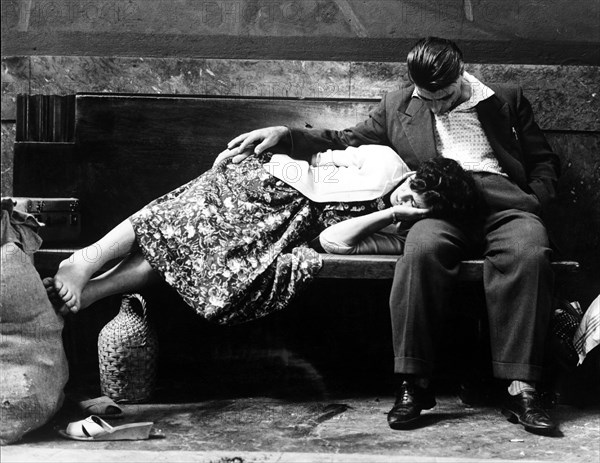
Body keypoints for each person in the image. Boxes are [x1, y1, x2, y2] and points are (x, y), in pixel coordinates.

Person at [217, 37, 560, 434]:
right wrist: (286, 135)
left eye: (443, 96)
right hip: (440, 209)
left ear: (461, 73)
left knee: (529, 251)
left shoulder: (505, 99)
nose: (434, 105)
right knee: (421, 250)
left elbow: (542, 160)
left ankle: (522, 386)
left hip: (505, 205)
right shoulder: (398, 104)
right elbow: (343, 139)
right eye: (425, 96)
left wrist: (535, 198)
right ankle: (414, 382)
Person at [43, 144, 429, 325]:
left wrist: (391, 213)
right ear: (413, 175)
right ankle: (84, 261)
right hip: (274, 186)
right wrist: (281, 166)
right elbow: (323, 157)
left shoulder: (396, 230)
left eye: (415, 206)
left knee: (195, 250)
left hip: (282, 231)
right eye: (410, 191)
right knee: (182, 217)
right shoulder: (387, 161)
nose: (406, 199)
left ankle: (91, 289)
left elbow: (332, 242)